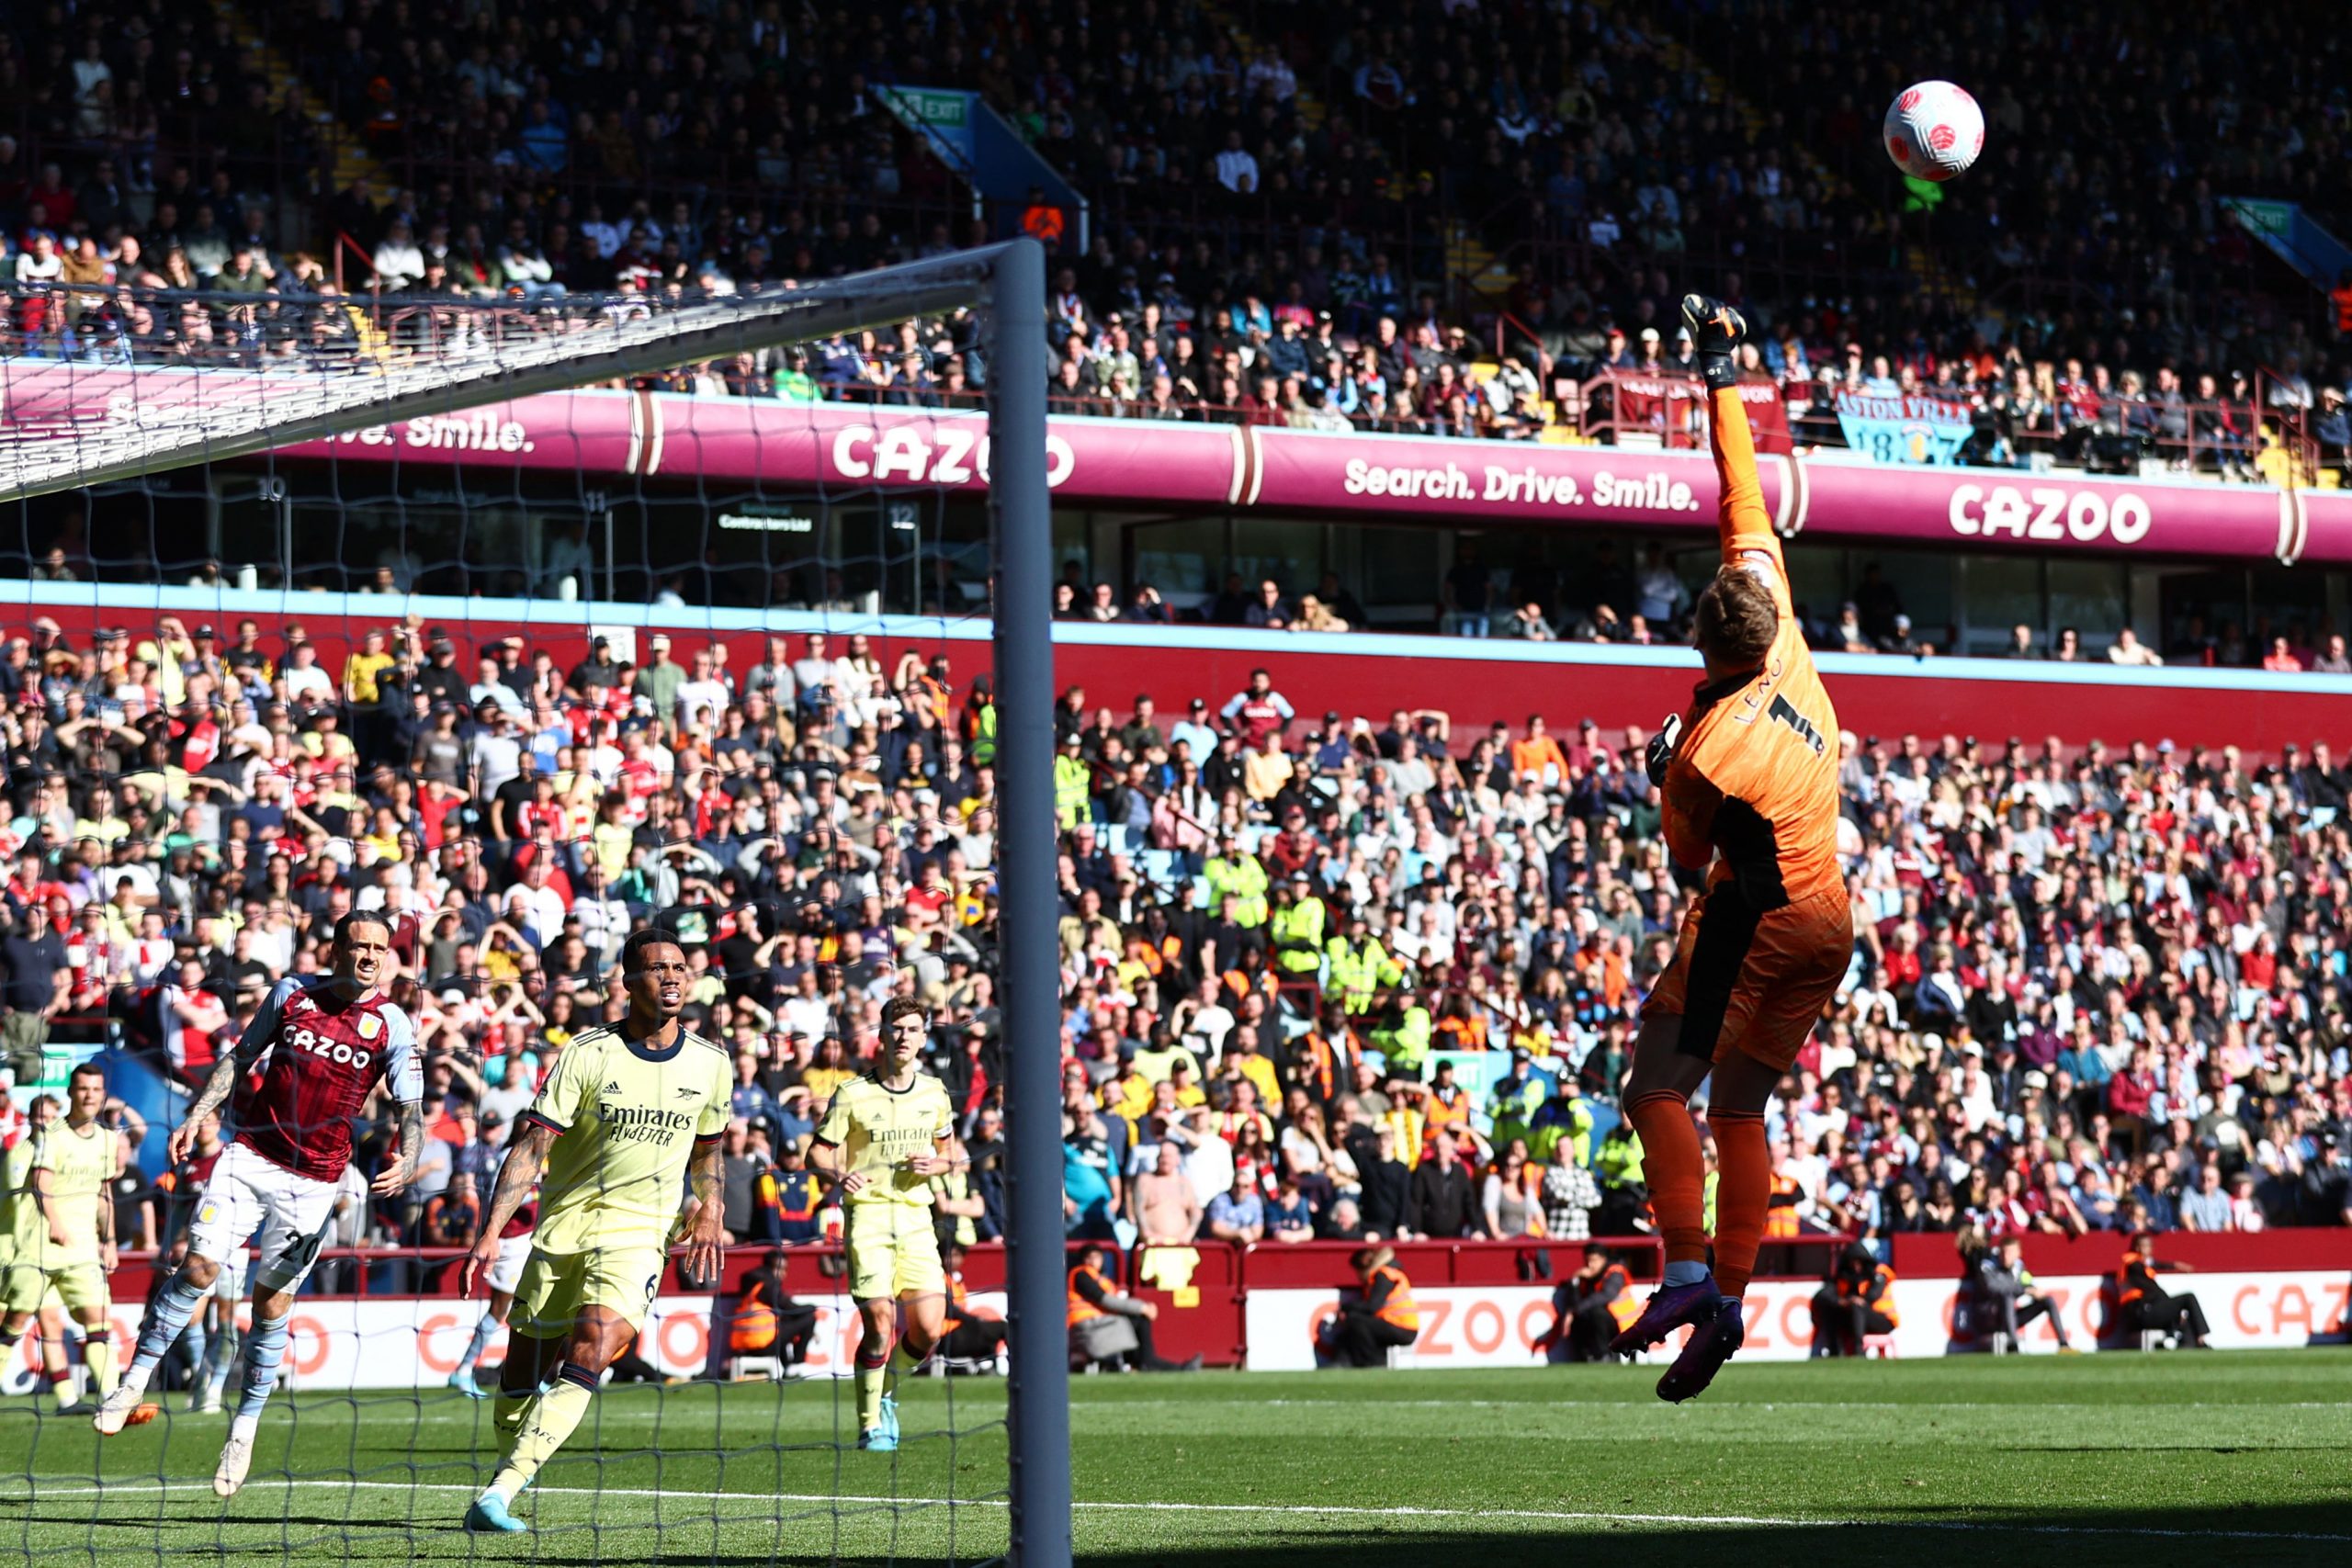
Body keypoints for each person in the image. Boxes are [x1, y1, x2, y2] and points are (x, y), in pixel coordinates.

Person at [1612, 293, 1853, 1404]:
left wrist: (1662, 768)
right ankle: (1733, 1299)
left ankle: (1689, 1269)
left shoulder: (1707, 749)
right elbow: (1742, 484)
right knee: (1741, 1109)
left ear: (1702, 638)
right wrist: (1723, 372)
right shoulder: (1783, 623)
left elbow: (1678, 863)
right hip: (1830, 918)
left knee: (1654, 1085)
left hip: (1755, 917)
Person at [96, 915, 424, 1503]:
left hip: (317, 1181)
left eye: (380, 948)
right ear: (337, 948)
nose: (371, 956)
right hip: (249, 1156)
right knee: (198, 1269)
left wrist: (410, 1153)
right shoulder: (292, 993)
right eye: (360, 946)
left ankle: (242, 1429)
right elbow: (239, 1058)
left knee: (272, 1304)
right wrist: (198, 1114)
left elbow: (411, 1108)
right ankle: (132, 1381)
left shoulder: (392, 1024)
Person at [453, 930, 730, 1533]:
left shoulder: (711, 1064)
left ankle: (500, 1491)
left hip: (642, 1231)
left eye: (680, 967)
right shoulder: (588, 1053)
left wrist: (711, 1208)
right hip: (564, 1225)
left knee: (593, 1341)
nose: (673, 977)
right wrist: (491, 1230)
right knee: (522, 1367)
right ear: (627, 982)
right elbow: (533, 1145)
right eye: (657, 969)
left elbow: (709, 1152)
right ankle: (510, 1462)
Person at [806, 997, 965, 1453]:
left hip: (917, 1218)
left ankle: (887, 1389)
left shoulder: (934, 1092)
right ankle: (870, 1424)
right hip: (870, 1216)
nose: (903, 1036)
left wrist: (937, 1165)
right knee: (879, 1321)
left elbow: (952, 1152)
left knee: (931, 1328)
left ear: (923, 1038)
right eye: (896, 1028)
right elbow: (816, 1152)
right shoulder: (853, 1093)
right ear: (881, 1034)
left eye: (913, 1029)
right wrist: (838, 1173)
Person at [6, 1065, 118, 1415]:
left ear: (103, 1094)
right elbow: (40, 1185)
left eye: (96, 1089)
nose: (89, 1095)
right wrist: (53, 1223)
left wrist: (110, 1239)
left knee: (98, 1320)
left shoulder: (107, 1139)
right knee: (16, 1323)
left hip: (83, 1247)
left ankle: (112, 1402)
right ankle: (68, 1398)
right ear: (71, 1092)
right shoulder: (48, 1139)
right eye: (82, 1088)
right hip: (38, 1246)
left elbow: (105, 1192)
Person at [0, 1094, 73, 1406]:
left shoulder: (62, 1152)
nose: (46, 1122)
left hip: (48, 1252)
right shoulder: (20, 1153)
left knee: (50, 1321)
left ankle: (68, 1399)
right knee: (11, 1319)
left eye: (52, 1117)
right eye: (41, 1116)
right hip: (16, 1250)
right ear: (29, 1119)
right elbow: (16, 1205)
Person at [447, 1179, 537, 1397]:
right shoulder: (513, 1156)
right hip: (511, 1243)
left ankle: (533, 1376)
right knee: (499, 1310)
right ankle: (463, 1370)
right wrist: (539, 1193)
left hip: (528, 1239)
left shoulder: (539, 1157)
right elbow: (505, 1195)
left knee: (533, 1307)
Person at [1067, 1241, 1198, 1371]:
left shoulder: (1101, 1278)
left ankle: (1149, 1361)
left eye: (1096, 1257)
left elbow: (1116, 1300)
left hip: (1101, 1322)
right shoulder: (1081, 1275)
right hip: (1088, 1325)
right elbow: (1106, 1301)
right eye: (1089, 1257)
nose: (1093, 1261)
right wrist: (1141, 1307)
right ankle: (1148, 1362)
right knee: (1139, 1320)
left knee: (1137, 1320)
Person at [1970, 1231, 2074, 1351]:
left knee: (2048, 1301)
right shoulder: (1987, 1267)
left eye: (2010, 1253)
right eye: (2003, 1252)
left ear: (2018, 1253)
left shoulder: (2019, 1267)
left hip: (2010, 1316)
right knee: (2007, 1298)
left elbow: (2027, 1283)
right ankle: (2014, 1346)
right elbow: (1994, 1289)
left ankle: (2064, 1344)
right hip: (1989, 1317)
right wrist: (2025, 1290)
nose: (2006, 1257)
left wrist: (2035, 1291)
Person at [1536, 1247, 1643, 1363]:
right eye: (1588, 1261)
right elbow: (1575, 1301)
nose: (1590, 1265)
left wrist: (1574, 1311)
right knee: (1579, 1319)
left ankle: (1604, 1355)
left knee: (1596, 1313)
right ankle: (1584, 1358)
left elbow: (1606, 1295)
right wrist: (1575, 1280)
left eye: (1594, 1260)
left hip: (1623, 1324)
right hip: (1603, 1322)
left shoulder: (1615, 1272)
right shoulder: (1586, 1277)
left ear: (1603, 1259)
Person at [1323, 1245, 1419, 1367]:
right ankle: (1341, 1362)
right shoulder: (1385, 1274)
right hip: (1395, 1324)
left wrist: (1345, 1308)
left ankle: (1373, 1364)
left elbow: (1372, 1307)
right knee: (1351, 1328)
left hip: (1402, 1326)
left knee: (1356, 1321)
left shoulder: (1383, 1276)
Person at [2114, 1230, 2211, 1348]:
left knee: (2183, 1313)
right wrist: (2169, 1304)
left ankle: (2189, 1345)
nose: (2151, 1250)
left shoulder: (2135, 1264)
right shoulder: (2134, 1266)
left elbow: (2156, 1264)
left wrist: (2174, 1265)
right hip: (2141, 1312)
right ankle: (2201, 1338)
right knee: (2188, 1299)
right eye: (2148, 1246)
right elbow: (2152, 1290)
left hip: (2138, 1313)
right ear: (2139, 1248)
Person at [727, 1250, 819, 1371]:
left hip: (743, 1345)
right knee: (809, 1319)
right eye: (780, 1269)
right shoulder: (768, 1286)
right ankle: (797, 1364)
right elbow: (790, 1309)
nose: (783, 1274)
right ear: (770, 1268)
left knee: (783, 1324)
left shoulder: (752, 1285)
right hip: (763, 1343)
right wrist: (813, 1308)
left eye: (785, 1269)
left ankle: (786, 1366)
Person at [1809, 1240, 1899, 1356]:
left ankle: (1858, 1351)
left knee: (1856, 1307)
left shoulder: (1878, 1273)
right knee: (1831, 1309)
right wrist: (1842, 1301)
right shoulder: (1843, 1278)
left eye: (1859, 1263)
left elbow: (1873, 1294)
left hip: (1883, 1319)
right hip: (1855, 1319)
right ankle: (1835, 1351)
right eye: (1853, 1263)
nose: (1856, 1267)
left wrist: (1857, 1301)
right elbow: (1823, 1295)